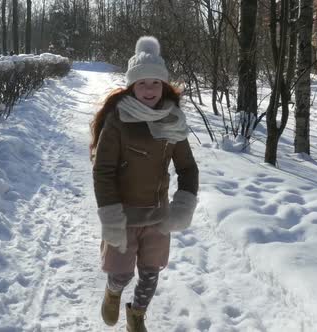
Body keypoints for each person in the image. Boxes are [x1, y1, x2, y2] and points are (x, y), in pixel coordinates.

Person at [90, 36, 199, 332]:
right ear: (131, 86)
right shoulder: (118, 120)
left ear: (163, 85)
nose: (149, 90)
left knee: (151, 272)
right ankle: (113, 292)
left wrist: (182, 206)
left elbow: (188, 168)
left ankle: (136, 315)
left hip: (157, 216)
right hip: (123, 216)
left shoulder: (173, 121)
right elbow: (103, 170)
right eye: (142, 83)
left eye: (155, 83)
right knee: (121, 274)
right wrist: (110, 214)